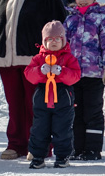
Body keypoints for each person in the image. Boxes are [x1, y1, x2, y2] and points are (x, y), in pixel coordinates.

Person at [0, 0, 67, 160]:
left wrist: (52, 50)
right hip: (6, 58)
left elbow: (60, 21)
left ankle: (38, 145)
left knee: (35, 105)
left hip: (35, 59)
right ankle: (15, 144)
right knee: (14, 104)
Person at [64, 0, 105, 161]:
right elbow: (64, 45)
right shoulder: (70, 19)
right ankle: (76, 148)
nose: (83, 0)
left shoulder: (102, 19)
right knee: (75, 111)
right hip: (73, 74)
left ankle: (93, 149)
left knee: (92, 111)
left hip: (94, 75)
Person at [23, 21, 81, 168]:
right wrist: (40, 71)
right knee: (39, 129)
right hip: (43, 95)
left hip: (63, 96)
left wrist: (62, 71)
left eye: (57, 39)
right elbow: (29, 75)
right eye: (50, 39)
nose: (53, 42)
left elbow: (75, 76)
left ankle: (62, 156)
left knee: (62, 129)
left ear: (63, 40)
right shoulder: (38, 59)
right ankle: (38, 156)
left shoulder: (69, 58)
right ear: (44, 41)